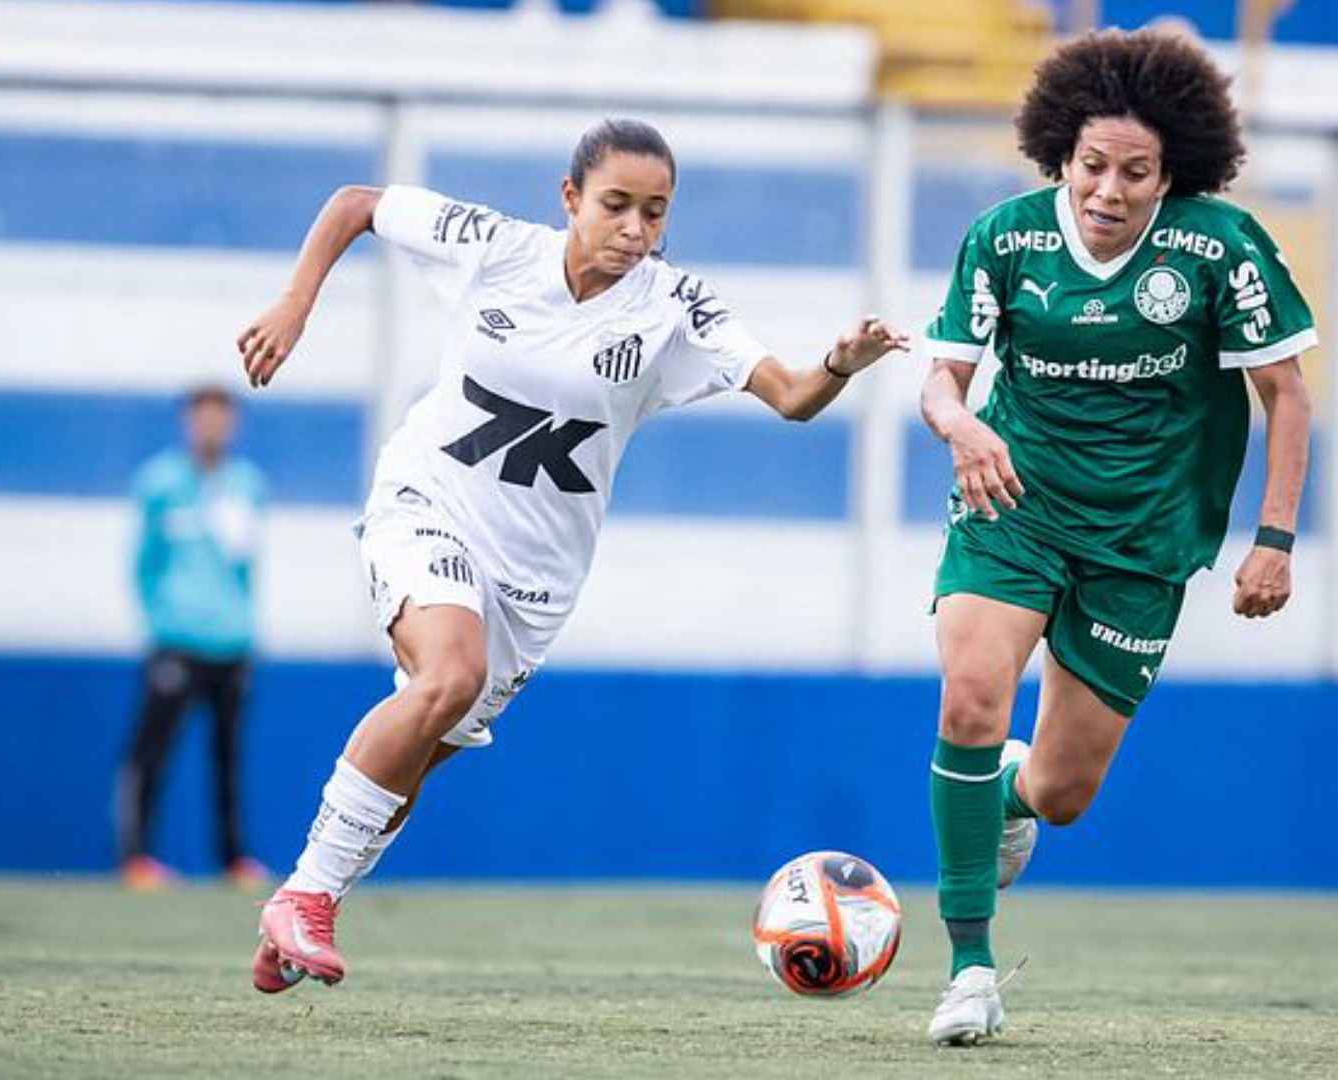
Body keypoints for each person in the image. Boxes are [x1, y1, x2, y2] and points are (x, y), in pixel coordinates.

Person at [235, 118, 908, 994]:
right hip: (427, 503)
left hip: (538, 580)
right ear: (570, 198)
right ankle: (308, 904)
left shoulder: (676, 306)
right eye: (617, 205)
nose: (635, 229)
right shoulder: (497, 248)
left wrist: (840, 361)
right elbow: (357, 205)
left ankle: (307, 892)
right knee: (447, 676)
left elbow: (789, 396)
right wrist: (295, 303)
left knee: (426, 736)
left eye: (655, 212)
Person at [917, 30, 1315, 1046]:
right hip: (1015, 504)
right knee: (968, 696)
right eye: (1093, 164)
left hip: (1144, 539)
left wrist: (1273, 539)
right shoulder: (1005, 238)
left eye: (1135, 171)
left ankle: (1009, 791)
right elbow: (943, 376)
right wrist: (962, 427)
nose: (1109, 189)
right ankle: (970, 969)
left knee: (1062, 794)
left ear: (1171, 170)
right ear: (1062, 154)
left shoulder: (1219, 246)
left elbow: (1285, 393)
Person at [116, 385, 271, 891]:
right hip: (177, 640)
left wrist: (247, 626)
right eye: (203, 418)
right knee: (151, 753)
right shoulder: (159, 482)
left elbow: (248, 566)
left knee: (228, 758)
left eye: (221, 419)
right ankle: (136, 858)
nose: (212, 429)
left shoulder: (248, 484)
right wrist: (160, 621)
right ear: (188, 423)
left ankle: (232, 859)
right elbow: (142, 564)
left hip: (232, 643)